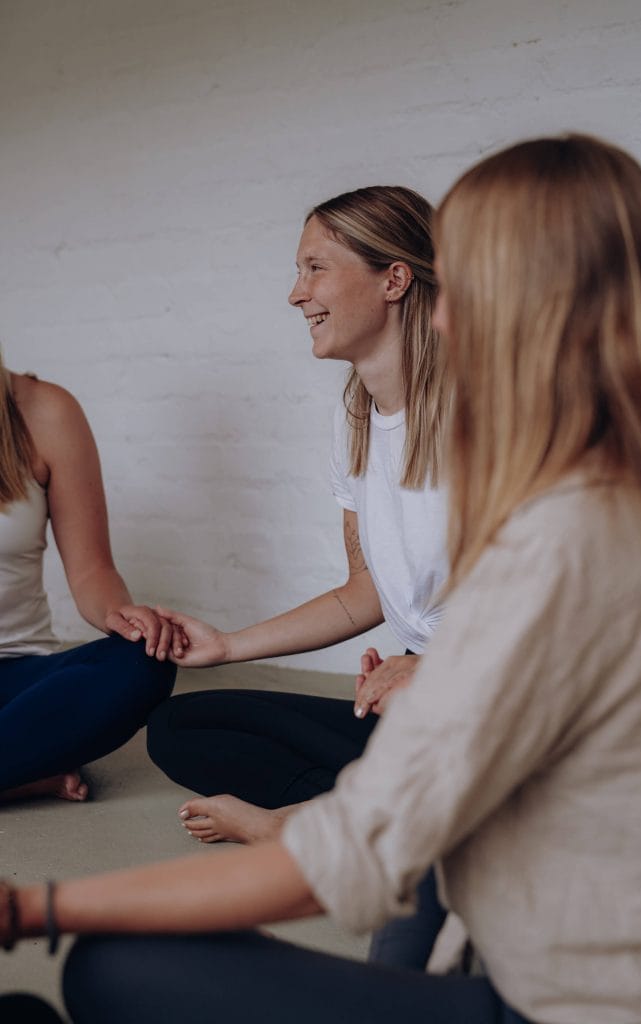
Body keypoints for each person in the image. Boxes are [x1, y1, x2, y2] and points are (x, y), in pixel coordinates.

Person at [2, 132, 641, 1024]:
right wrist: (234, 646)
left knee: (114, 969)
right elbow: (389, 608)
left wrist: (38, 908)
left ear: (536, 300)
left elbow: (344, 860)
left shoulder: (563, 528)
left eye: (461, 285)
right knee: (194, 751)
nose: (443, 314)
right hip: (480, 855)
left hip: (551, 989)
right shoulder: (610, 492)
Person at [146, 185, 450, 967]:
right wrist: (227, 646)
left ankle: (324, 823)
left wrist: (435, 668)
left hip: (484, 695)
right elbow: (366, 591)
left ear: (394, 278)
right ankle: (362, 805)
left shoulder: (483, 417)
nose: (295, 293)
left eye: (315, 268)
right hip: (404, 703)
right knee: (183, 725)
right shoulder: (356, 422)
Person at [0, 362, 177, 804]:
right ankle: (20, 774)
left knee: (144, 660)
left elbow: (91, 570)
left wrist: (120, 614)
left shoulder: (46, 412)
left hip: (18, 677)